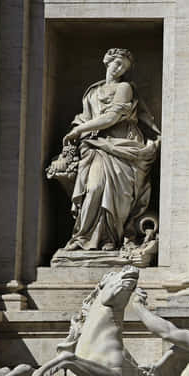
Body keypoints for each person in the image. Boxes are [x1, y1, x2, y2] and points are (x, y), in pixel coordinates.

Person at [58, 48, 160, 252]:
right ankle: (83, 237)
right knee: (94, 188)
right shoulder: (93, 92)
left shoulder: (124, 88)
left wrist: (79, 130)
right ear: (107, 61)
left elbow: (111, 118)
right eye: (117, 63)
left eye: (124, 67)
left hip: (121, 145)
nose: (120, 69)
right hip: (95, 147)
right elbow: (86, 117)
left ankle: (110, 238)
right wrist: (78, 129)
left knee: (117, 195)